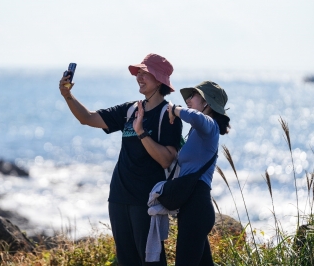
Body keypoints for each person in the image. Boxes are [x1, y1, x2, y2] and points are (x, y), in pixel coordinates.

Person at [59, 53, 182, 265]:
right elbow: (87, 118)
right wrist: (67, 96)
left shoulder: (168, 114)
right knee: (126, 260)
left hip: (146, 201)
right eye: (139, 73)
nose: (139, 77)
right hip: (118, 197)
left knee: (151, 261)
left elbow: (166, 160)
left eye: (146, 74)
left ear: (160, 79)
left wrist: (141, 132)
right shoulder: (131, 109)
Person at [162, 81, 231, 265]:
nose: (187, 99)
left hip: (196, 208)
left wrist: (174, 109)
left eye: (193, 95)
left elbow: (197, 118)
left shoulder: (209, 125)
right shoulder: (197, 132)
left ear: (207, 103)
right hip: (192, 208)